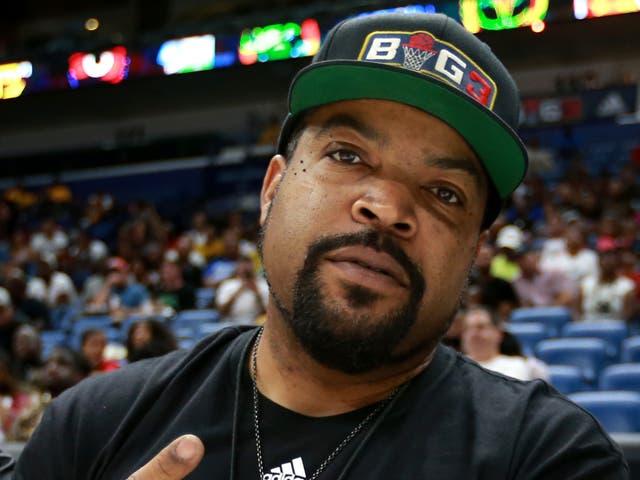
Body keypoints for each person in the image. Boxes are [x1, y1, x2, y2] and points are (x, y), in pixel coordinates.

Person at [10, 13, 627, 480]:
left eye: (444, 192)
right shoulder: (94, 424)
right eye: (347, 155)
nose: (386, 208)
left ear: (473, 250)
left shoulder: (547, 457)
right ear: (272, 188)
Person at [461, 306, 549, 381]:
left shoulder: (525, 365)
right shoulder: (454, 367)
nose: (473, 334)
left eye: (480, 327)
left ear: (498, 333)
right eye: (467, 328)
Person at [215, 256, 268, 325]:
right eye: (243, 266)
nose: (246, 269)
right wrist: (239, 291)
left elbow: (267, 314)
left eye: (248, 266)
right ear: (237, 268)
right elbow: (221, 312)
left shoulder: (263, 285)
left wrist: (257, 294)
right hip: (230, 324)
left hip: (256, 325)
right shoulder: (227, 285)